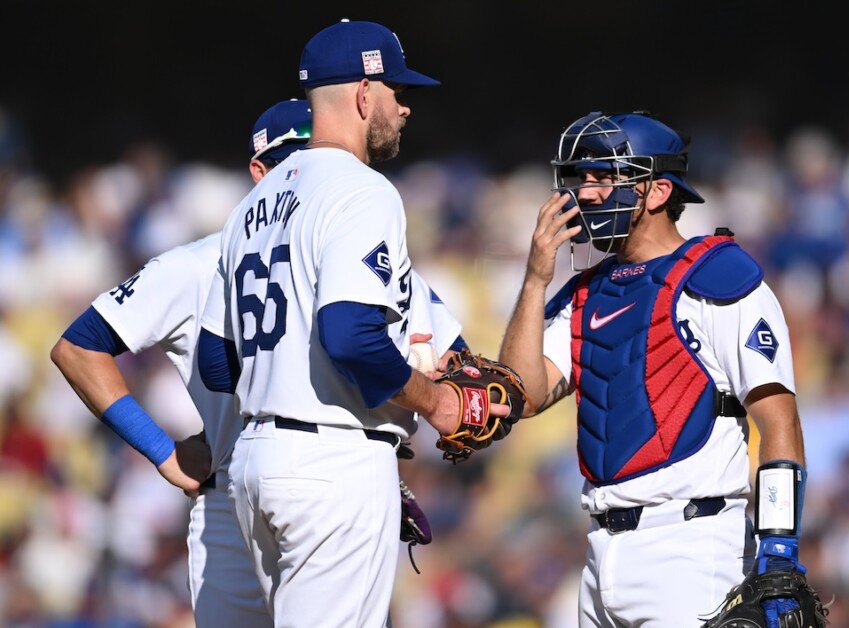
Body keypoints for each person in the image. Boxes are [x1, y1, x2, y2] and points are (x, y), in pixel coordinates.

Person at [50, 96, 464, 626]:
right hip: (286, 484)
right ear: (259, 171)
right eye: (294, 156)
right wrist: (162, 450)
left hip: (265, 480)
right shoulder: (199, 263)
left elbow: (457, 360)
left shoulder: (317, 249)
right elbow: (78, 347)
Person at [196, 19, 505, 628]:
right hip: (331, 466)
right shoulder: (362, 190)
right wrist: (435, 403)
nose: (405, 107)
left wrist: (285, 388)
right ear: (364, 93)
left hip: (256, 466)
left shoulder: (251, 205)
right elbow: (350, 336)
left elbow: (216, 362)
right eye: (397, 91)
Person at [499, 111, 810, 626]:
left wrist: (778, 549)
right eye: (583, 177)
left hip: (691, 546)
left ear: (659, 191)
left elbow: (780, 422)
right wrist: (535, 278)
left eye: (605, 176)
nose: (588, 191)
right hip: (599, 554)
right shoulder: (586, 291)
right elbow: (521, 393)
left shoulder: (719, 276)